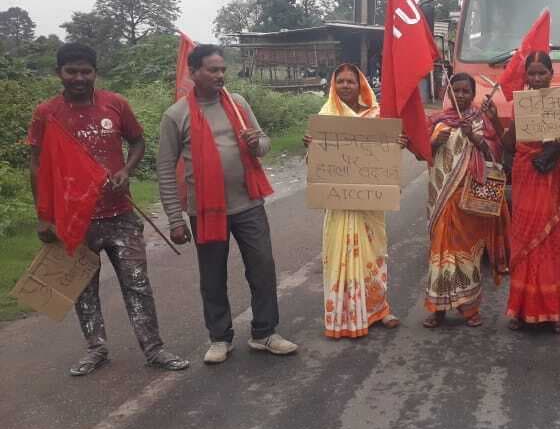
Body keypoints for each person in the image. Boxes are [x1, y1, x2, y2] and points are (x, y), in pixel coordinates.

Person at [28, 42, 188, 376]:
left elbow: (138, 141)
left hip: (121, 215)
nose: (79, 78)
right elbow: (36, 163)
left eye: (86, 71)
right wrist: (44, 216)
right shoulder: (47, 113)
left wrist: (126, 171)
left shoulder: (115, 104)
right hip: (74, 220)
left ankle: (154, 348)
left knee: (137, 283)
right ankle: (96, 349)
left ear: (95, 73)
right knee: (83, 290)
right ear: (58, 73)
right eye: (72, 71)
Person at [157, 44, 297, 364]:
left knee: (262, 267)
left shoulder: (237, 104)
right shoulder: (176, 115)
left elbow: (263, 145)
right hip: (205, 210)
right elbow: (165, 167)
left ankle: (264, 333)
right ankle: (220, 337)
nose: (220, 75)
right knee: (212, 274)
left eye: (222, 69)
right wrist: (174, 220)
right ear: (193, 73)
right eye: (212, 69)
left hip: (248, 203)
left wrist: (256, 142)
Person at [302, 63, 402, 338]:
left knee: (375, 253)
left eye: (351, 81)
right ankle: (344, 315)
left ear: (361, 85)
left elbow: (385, 156)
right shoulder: (326, 116)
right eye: (341, 81)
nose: (346, 86)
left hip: (370, 202)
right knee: (341, 254)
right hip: (340, 203)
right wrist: (311, 147)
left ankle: (378, 309)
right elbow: (317, 166)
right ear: (333, 85)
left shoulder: (376, 115)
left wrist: (396, 145)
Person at [422, 73, 510, 328]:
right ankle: (438, 309)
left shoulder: (482, 121)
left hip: (469, 199)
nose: (460, 95)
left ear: (473, 94)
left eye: (465, 91)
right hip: (441, 197)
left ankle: (469, 308)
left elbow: (497, 154)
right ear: (449, 93)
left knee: (467, 255)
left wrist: (475, 137)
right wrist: (432, 143)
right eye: (456, 91)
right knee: (439, 251)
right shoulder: (438, 121)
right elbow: (420, 152)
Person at [506, 51, 560, 333]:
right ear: (526, 76)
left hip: (553, 180)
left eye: (542, 73)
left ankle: (552, 310)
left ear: (552, 75)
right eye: (532, 74)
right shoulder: (520, 104)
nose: (536, 79)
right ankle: (520, 309)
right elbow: (511, 144)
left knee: (549, 241)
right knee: (525, 240)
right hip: (527, 174)